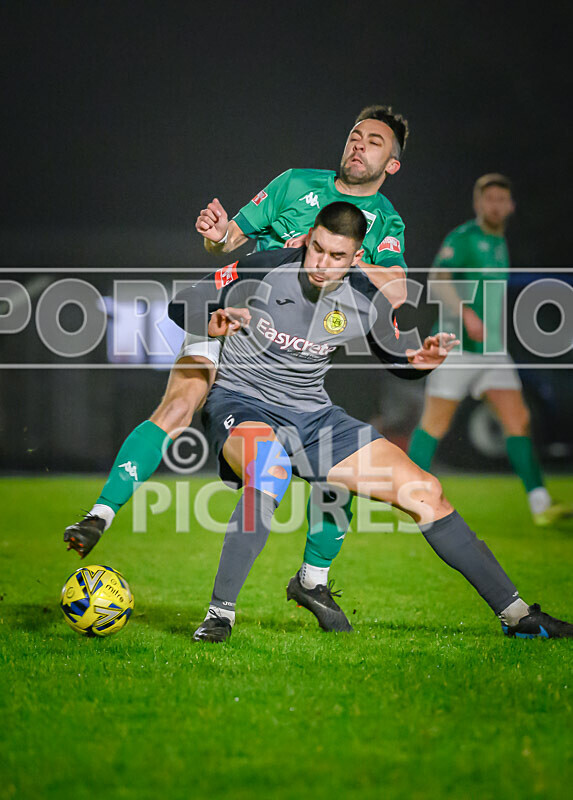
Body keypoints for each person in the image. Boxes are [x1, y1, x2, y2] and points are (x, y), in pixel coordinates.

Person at [64, 105, 412, 625]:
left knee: (334, 465)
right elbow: (229, 243)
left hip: (290, 345)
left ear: (392, 163)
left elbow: (398, 292)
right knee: (179, 402)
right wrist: (217, 231)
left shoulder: (387, 221)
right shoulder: (296, 183)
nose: (359, 146)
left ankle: (313, 581)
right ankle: (99, 514)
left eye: (374, 142)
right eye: (355, 136)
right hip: (230, 308)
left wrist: (338, 259)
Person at [168, 201, 573, 643]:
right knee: (268, 471)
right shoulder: (264, 266)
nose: (321, 264)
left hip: (312, 414)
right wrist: (214, 322)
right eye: (316, 249)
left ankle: (517, 616)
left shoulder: (364, 297)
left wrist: (421, 362)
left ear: (357, 256)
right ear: (307, 238)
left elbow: (396, 358)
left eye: (336, 256)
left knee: (427, 492)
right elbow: (180, 306)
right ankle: (220, 614)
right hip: (242, 401)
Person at [408, 174, 572, 526]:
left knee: (519, 420)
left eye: (502, 199)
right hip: (455, 347)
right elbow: (437, 280)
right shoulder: (466, 237)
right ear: (478, 204)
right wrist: (466, 314)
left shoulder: (500, 242)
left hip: (493, 351)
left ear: (510, 206)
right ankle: (409, 497)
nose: (495, 205)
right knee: (435, 424)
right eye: (489, 199)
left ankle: (541, 504)